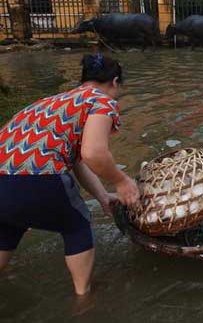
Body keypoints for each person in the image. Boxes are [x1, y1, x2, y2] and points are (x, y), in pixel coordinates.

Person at [0, 53, 139, 295]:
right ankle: (83, 298)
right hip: (38, 176)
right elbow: (94, 153)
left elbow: (78, 160)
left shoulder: (50, 102)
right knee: (77, 225)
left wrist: (103, 197)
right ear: (114, 82)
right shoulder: (102, 101)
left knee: (9, 226)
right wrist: (122, 181)